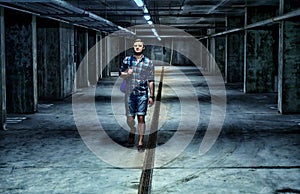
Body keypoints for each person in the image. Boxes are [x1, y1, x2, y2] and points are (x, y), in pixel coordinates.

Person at [119, 39, 155, 152]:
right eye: (136, 46)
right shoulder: (127, 60)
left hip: (142, 94)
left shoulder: (148, 62)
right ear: (133, 47)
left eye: (140, 46)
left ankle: (140, 141)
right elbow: (120, 74)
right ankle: (132, 129)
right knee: (130, 118)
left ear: (143, 48)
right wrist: (126, 73)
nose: (137, 47)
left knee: (141, 117)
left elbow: (151, 80)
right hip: (129, 94)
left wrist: (152, 96)